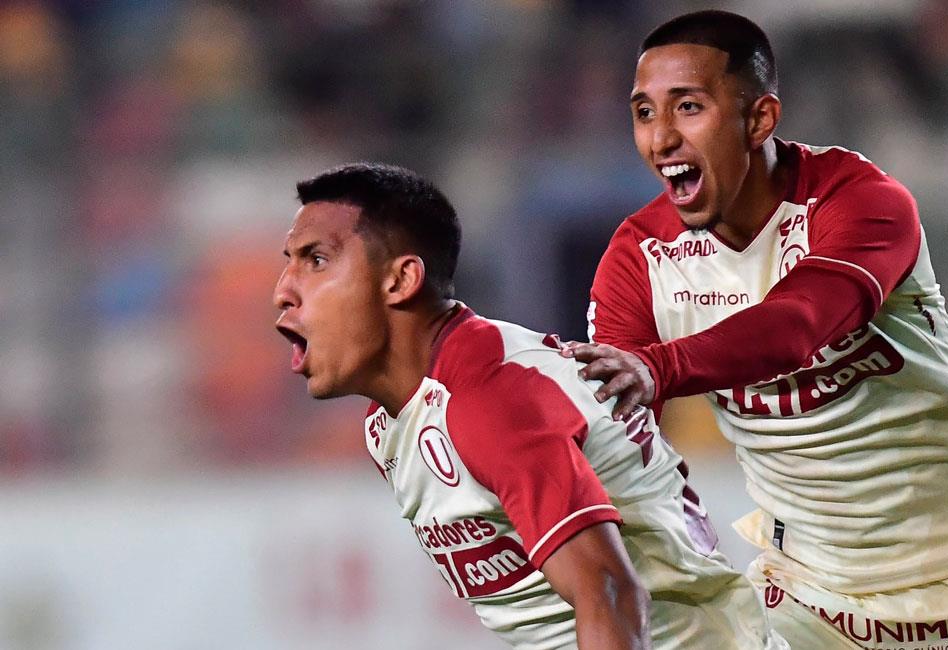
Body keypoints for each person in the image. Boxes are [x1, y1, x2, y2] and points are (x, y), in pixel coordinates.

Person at [566, 10, 948, 649]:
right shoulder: (639, 257)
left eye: (687, 107)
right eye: (644, 113)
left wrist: (661, 367)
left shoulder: (862, 201)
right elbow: (618, 437)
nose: (661, 139)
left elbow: (799, 323)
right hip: (807, 589)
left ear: (759, 119)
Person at [271, 162, 787, 650]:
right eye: (288, 264)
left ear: (401, 280)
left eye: (317, 260)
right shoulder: (392, 423)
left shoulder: (489, 399)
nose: (284, 292)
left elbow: (610, 592)